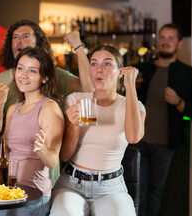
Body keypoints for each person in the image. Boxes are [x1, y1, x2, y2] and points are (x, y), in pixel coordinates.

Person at [0, 20, 93, 185]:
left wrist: (78, 46)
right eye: (15, 37)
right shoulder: (11, 104)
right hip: (7, 184)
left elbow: (88, 89)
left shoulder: (50, 105)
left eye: (25, 36)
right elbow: (10, 154)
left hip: (37, 185)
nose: (19, 41)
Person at [50, 45, 146, 216]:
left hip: (111, 187)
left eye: (107, 64)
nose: (99, 69)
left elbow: (133, 137)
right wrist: (74, 125)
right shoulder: (76, 100)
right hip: (72, 183)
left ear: (120, 72)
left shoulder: (133, 105)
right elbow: (64, 156)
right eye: (93, 64)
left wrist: (130, 85)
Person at [0, 47, 64, 216]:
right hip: (8, 192)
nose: (23, 75)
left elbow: (52, 162)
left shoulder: (49, 107)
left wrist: (42, 149)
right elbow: (6, 156)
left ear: (45, 77)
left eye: (32, 71)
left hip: (33, 196)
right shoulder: (13, 109)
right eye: (20, 68)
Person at [134, 23, 192, 216]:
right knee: (136, 191)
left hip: (165, 146)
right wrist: (130, 87)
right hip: (137, 141)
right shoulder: (142, 69)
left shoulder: (187, 73)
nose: (165, 42)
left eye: (170, 38)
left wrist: (178, 101)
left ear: (179, 44)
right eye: (162, 37)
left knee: (155, 193)